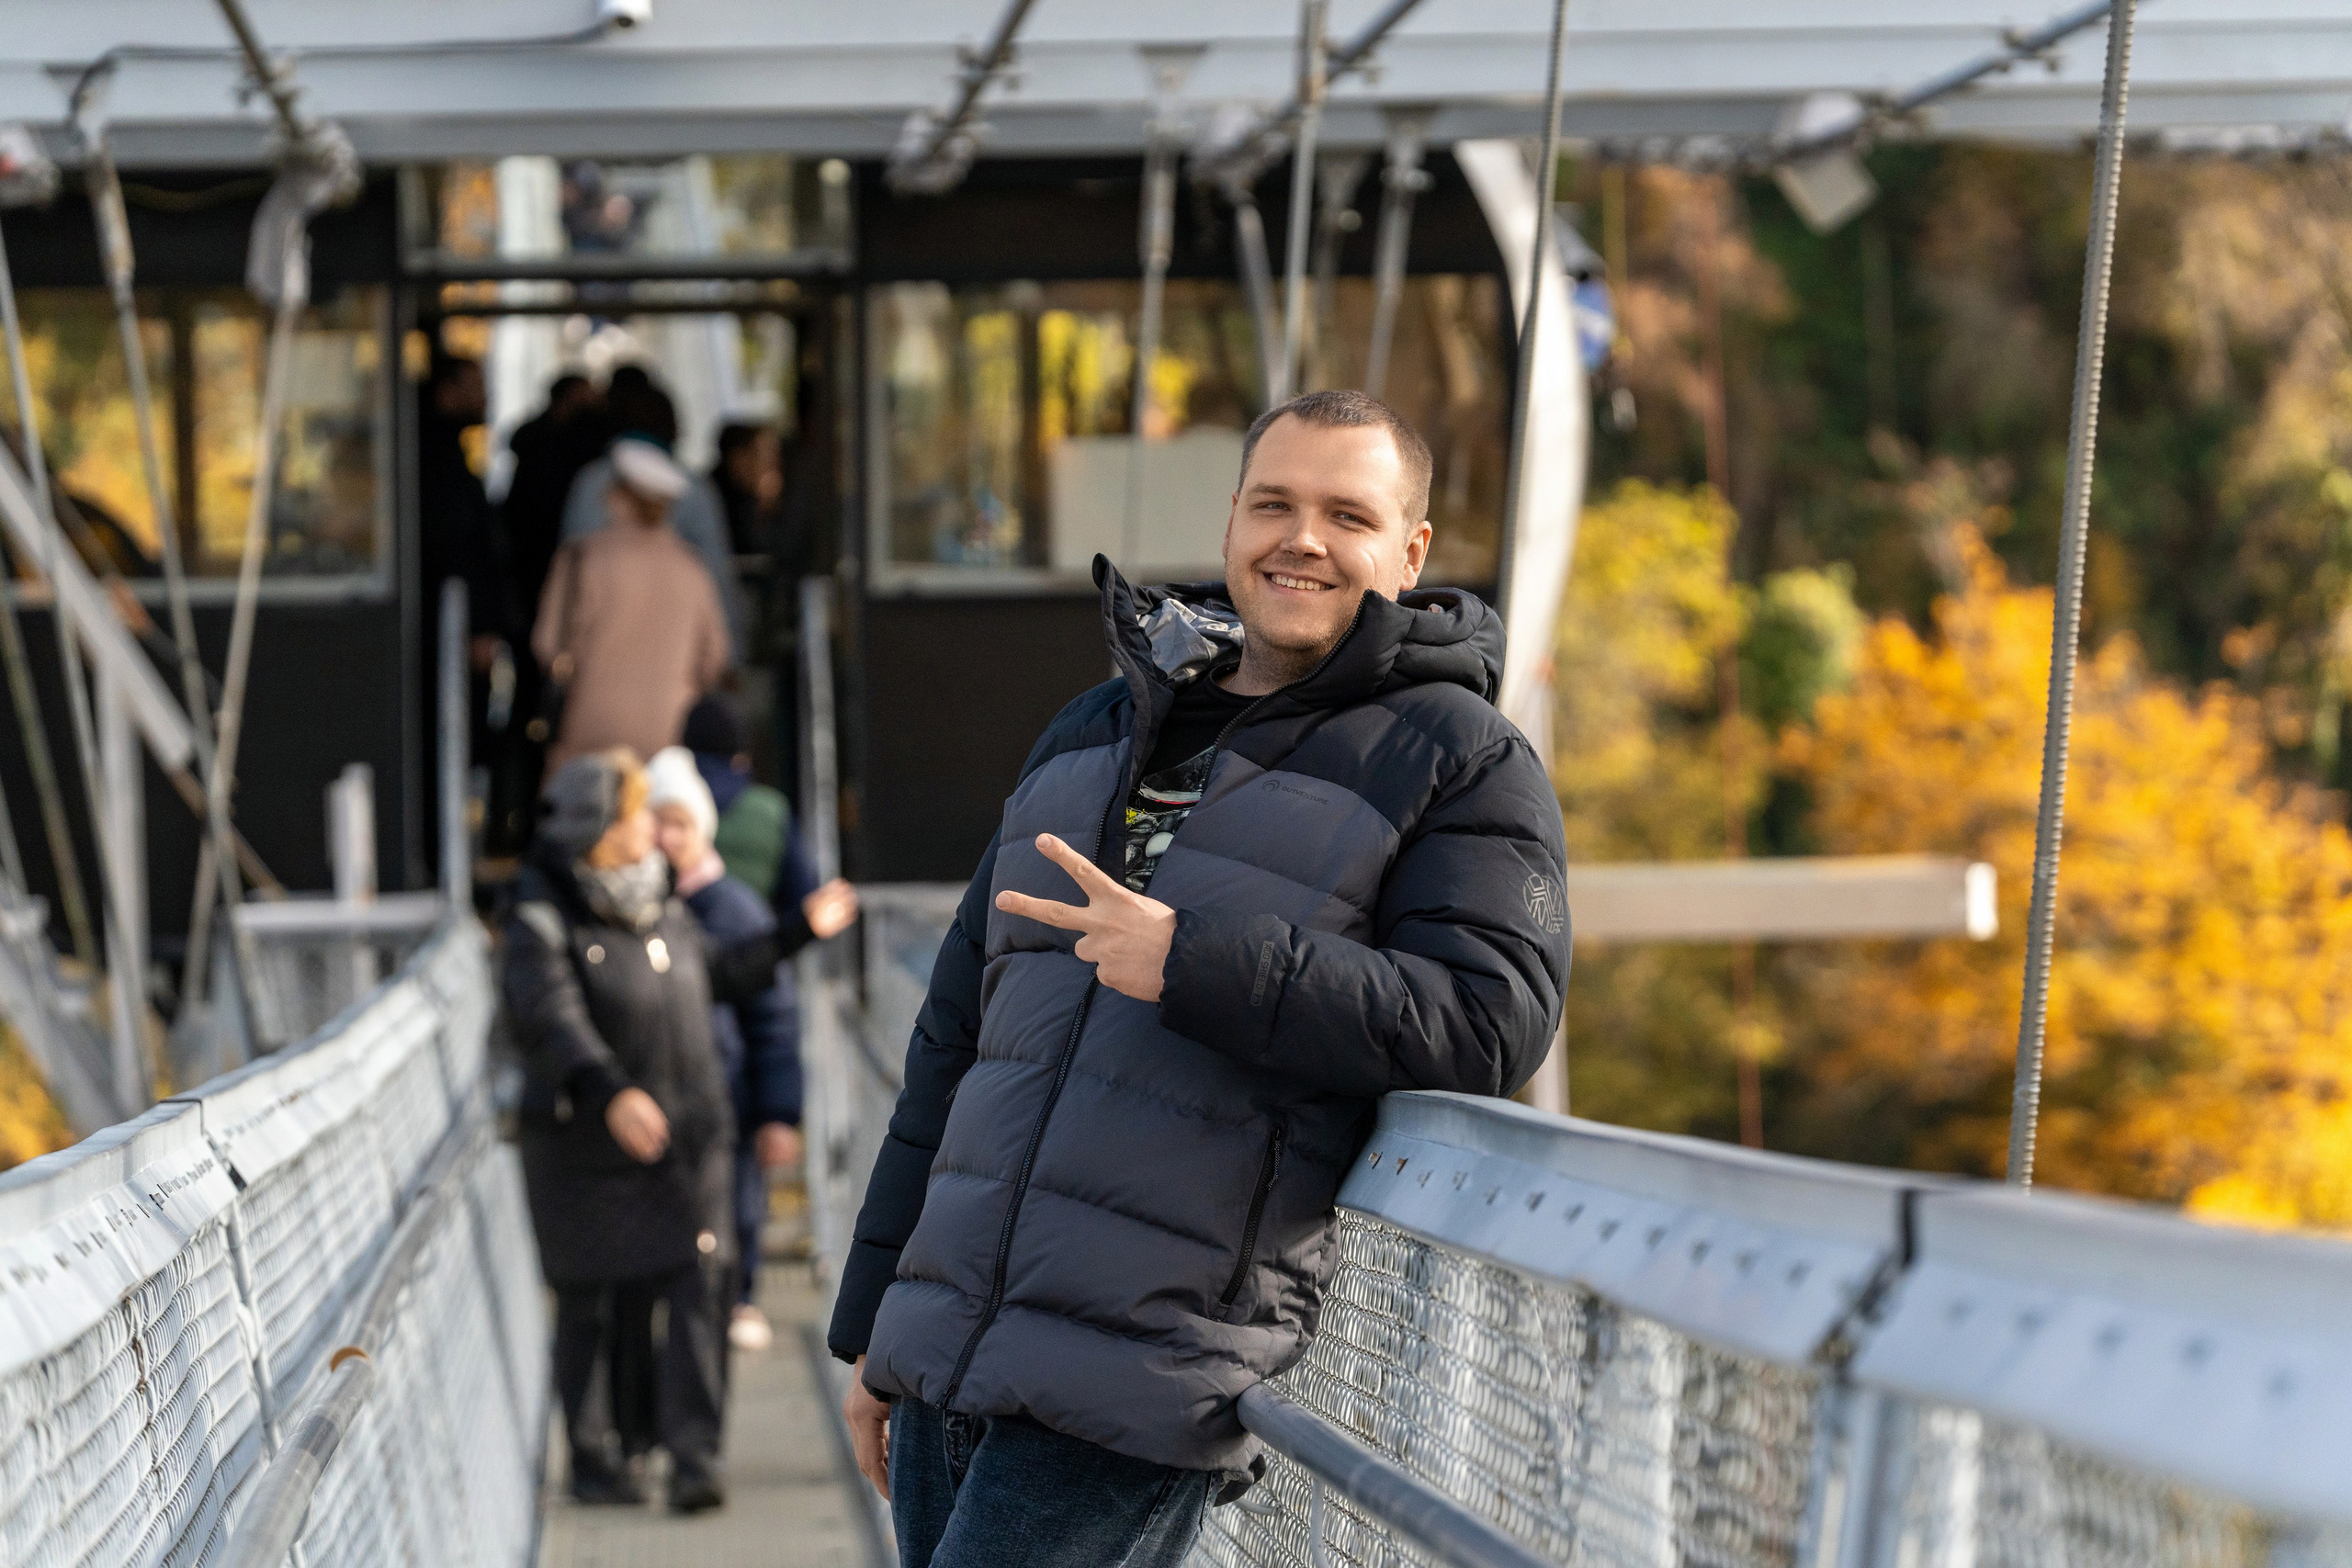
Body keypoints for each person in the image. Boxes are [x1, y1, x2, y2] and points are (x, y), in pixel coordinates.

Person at [827, 389, 1573, 1566]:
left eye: (1346, 514)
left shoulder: (1459, 757)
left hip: (1134, 1370)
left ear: (1411, 549)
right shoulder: (1094, 724)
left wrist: (1189, 961)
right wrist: (873, 1326)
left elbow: (1489, 1020)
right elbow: (955, 1041)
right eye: (1273, 503)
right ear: (1231, 516)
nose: (1302, 539)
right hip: (949, 1350)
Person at [503, 749, 743, 1514]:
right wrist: (608, 1090)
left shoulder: (664, 905)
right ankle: (600, 1457)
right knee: (596, 1304)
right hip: (582, 1146)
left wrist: (801, 930)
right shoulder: (543, 915)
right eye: (636, 812)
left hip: (682, 1136)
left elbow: (727, 974)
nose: (650, 827)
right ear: (601, 828)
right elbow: (549, 1015)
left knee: (687, 1283)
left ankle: (684, 1458)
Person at [644, 745, 854, 1351]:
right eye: (655, 821)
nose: (665, 836)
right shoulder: (647, 909)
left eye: (678, 822)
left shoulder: (732, 908)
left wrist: (778, 1111)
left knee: (736, 1204)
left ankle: (737, 1296)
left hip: (726, 1094)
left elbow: (772, 1016)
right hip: (669, 1101)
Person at [533, 438, 729, 773]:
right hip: (667, 741)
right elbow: (715, 659)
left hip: (590, 737)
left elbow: (547, 646)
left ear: (621, 497)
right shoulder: (692, 569)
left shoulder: (583, 559)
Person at [559, 369, 749, 659]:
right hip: (675, 654)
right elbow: (715, 574)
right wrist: (731, 654)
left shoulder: (588, 484)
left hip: (599, 653)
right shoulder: (690, 489)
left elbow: (570, 573)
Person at [503, 371, 607, 632]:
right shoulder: (560, 448)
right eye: (588, 394)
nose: (597, 401)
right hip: (541, 554)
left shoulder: (533, 440)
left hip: (534, 556)